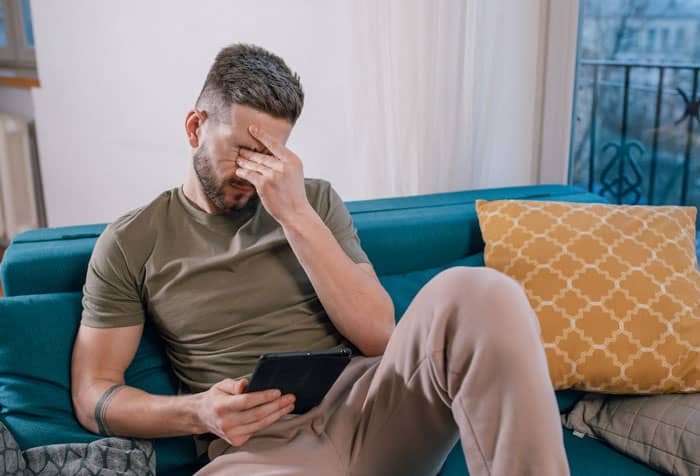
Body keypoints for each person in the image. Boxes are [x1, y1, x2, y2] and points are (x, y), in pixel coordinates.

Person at [70, 43, 570, 476]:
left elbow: (379, 336)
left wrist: (294, 215)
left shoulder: (313, 202)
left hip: (372, 414)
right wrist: (198, 411)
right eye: (242, 150)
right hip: (257, 451)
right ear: (195, 127)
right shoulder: (132, 241)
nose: (253, 171)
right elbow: (94, 394)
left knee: (480, 292)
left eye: (269, 153)